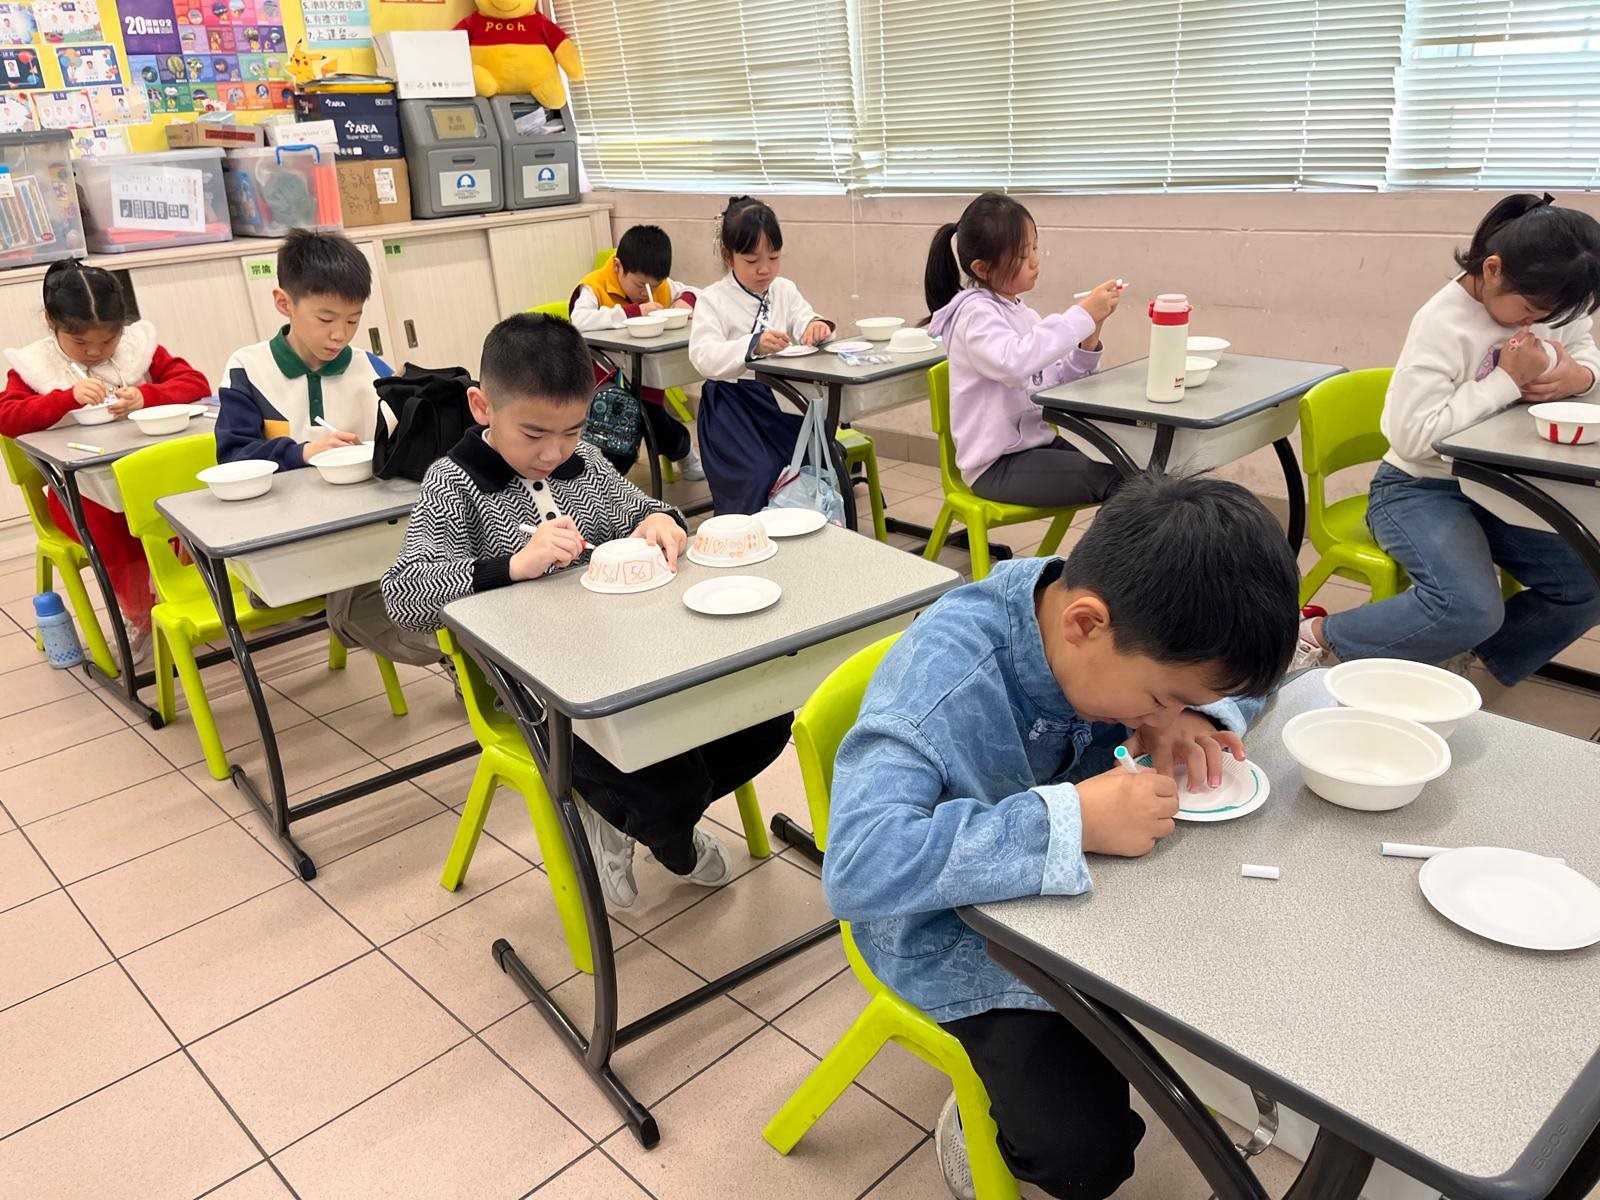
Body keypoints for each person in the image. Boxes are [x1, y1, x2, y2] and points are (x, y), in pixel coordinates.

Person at [822, 473, 1299, 1200]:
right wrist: (1071, 819)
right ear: (1084, 625)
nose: (1162, 714)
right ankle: (984, 1115)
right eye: (1161, 697)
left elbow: (1246, 679)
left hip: (1099, 901)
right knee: (1085, 1157)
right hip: (955, 934)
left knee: (1253, 967)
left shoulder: (1126, 621)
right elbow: (860, 866)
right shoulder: (943, 680)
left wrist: (1198, 716)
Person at [381, 313, 792, 906]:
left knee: (765, 720)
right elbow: (403, 595)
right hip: (544, 698)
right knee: (666, 785)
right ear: (482, 407)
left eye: (572, 430)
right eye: (533, 434)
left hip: (634, 664)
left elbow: (645, 510)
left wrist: (661, 521)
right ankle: (668, 832)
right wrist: (511, 566)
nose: (554, 452)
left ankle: (634, 816)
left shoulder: (588, 464)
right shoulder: (455, 483)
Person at [1294, 193, 1600, 687]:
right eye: (1529, 310)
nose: (1535, 324)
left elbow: (1583, 344)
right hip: (1417, 487)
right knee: (1468, 607)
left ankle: (1454, 650)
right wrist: (1507, 381)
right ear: (1493, 269)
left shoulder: (1547, 298)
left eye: (1549, 315)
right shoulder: (1442, 323)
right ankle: (1315, 633)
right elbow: (1412, 438)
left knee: (1590, 582)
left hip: (1501, 487)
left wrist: (1580, 376)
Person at [216, 227, 438, 668]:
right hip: (285, 546)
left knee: (435, 573)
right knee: (382, 601)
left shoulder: (369, 368)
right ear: (284, 303)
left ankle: (473, 659)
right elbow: (232, 459)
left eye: (353, 321)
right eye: (326, 319)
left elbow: (402, 450)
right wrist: (302, 453)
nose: (340, 335)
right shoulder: (248, 368)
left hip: (367, 532)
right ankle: (463, 660)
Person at [0, 259, 210, 661]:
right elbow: (6, 416)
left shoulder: (139, 350)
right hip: (81, 492)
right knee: (112, 523)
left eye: (108, 340)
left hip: (150, 478)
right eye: (80, 343)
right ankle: (141, 616)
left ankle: (198, 595)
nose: (96, 352)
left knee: (194, 500)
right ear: (51, 322)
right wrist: (64, 399)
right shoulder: (35, 364)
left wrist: (147, 395)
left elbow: (195, 383)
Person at [925, 191, 1123, 509]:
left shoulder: (1023, 314)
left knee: (1130, 467)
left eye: (1034, 247)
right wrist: (1081, 315)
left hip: (1035, 448)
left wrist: (1092, 328)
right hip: (996, 466)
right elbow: (1014, 364)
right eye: (1021, 255)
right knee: (1115, 480)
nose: (1034, 260)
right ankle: (1105, 546)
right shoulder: (975, 314)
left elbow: (1059, 383)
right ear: (982, 268)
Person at [688, 195, 834, 516]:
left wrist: (816, 326)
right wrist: (752, 345)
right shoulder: (713, 299)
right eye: (752, 261)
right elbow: (703, 355)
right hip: (731, 408)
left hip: (779, 401)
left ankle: (808, 534)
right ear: (728, 255)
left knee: (812, 461)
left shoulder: (784, 289)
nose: (765, 269)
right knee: (760, 473)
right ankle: (751, 538)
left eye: (774, 257)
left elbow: (804, 317)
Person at [569, 223, 705, 480]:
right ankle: (605, 481)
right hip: (606, 382)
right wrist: (633, 312)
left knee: (653, 421)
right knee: (626, 427)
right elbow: (579, 320)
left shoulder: (660, 285)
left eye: (655, 284)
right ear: (618, 266)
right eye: (640, 285)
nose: (646, 292)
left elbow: (698, 292)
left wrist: (684, 301)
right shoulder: (594, 287)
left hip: (648, 379)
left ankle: (682, 450)